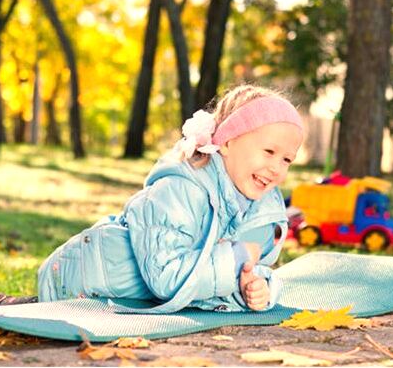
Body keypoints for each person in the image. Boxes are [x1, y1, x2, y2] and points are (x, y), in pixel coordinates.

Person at [37, 84, 304, 313]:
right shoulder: (181, 188)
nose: (276, 168)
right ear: (227, 143)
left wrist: (256, 287)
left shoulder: (257, 206)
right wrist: (236, 259)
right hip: (77, 282)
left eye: (287, 160)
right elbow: (166, 276)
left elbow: (224, 277)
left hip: (133, 298)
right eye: (269, 151)